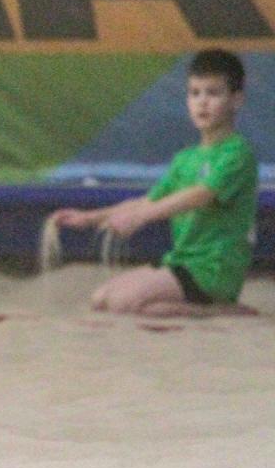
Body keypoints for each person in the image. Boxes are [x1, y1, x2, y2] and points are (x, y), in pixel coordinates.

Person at [52, 49, 258, 317]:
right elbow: (148, 200)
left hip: (213, 270)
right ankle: (214, 310)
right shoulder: (185, 159)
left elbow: (200, 194)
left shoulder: (237, 152)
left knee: (122, 303)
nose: (202, 102)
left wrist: (141, 218)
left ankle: (219, 309)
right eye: (195, 93)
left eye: (213, 93)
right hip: (181, 264)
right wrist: (89, 218)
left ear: (236, 99)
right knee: (101, 299)